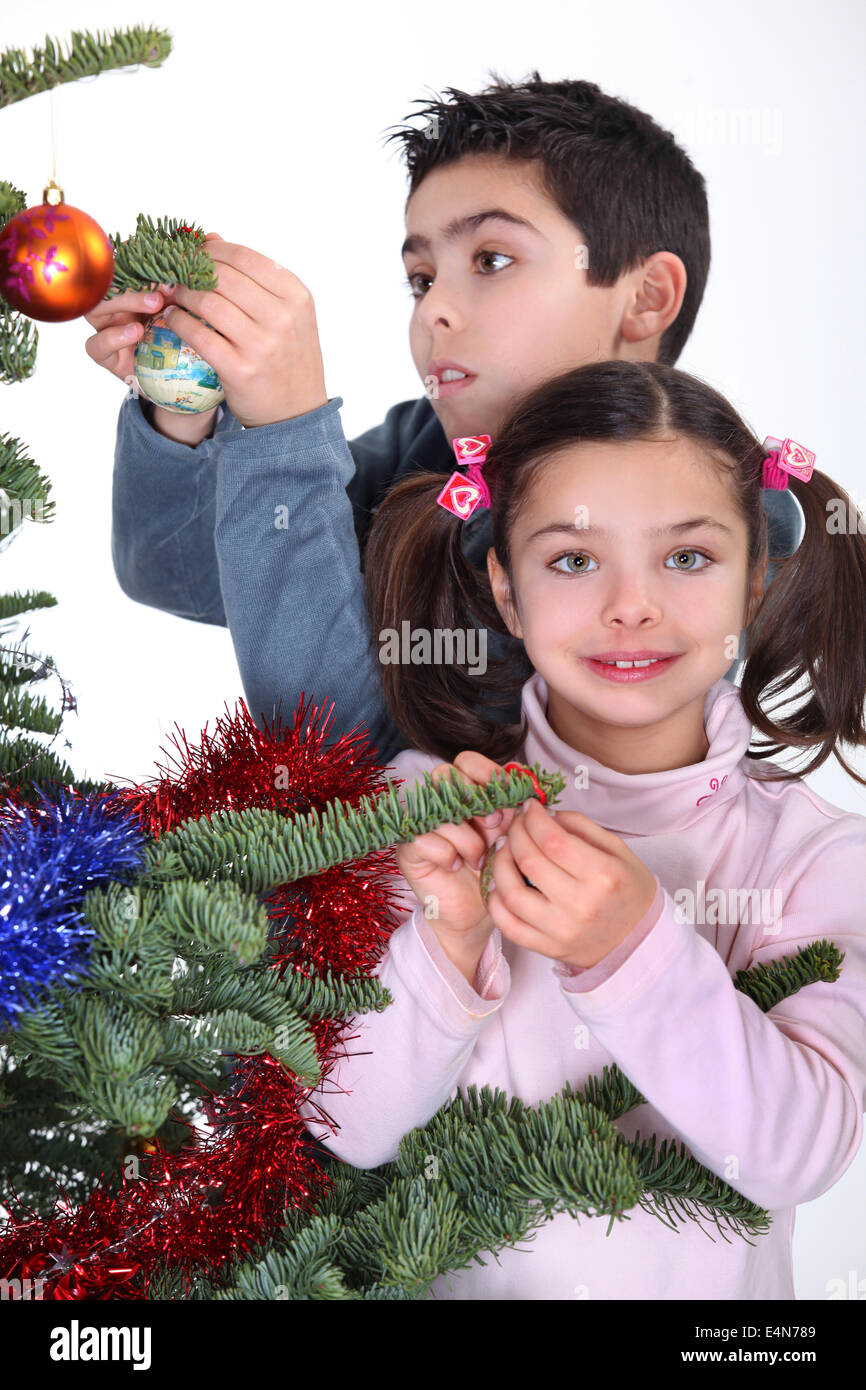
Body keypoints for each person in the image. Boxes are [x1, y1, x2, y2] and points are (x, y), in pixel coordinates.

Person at [296, 359, 866, 1300]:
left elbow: (803, 1151)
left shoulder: (815, 858)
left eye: (687, 557)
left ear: (754, 582)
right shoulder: (424, 812)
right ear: (507, 589)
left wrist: (633, 949)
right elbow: (346, 1124)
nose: (630, 605)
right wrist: (447, 942)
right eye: (572, 559)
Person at [87, 74, 802, 766]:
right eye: (422, 278)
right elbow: (177, 574)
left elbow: (365, 769)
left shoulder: (711, 513)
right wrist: (185, 396)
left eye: (491, 259)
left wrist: (285, 437)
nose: (434, 310)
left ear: (646, 297)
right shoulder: (419, 452)